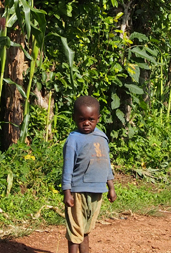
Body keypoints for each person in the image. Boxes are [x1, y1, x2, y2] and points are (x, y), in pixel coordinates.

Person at [61, 96, 117, 253]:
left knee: (86, 229)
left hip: (97, 191)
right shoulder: (73, 140)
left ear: (98, 118)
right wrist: (67, 192)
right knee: (75, 231)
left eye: (91, 119)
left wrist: (111, 186)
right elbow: (67, 168)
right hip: (78, 191)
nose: (86, 123)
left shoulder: (101, 138)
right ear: (74, 118)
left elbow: (106, 163)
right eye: (81, 119)